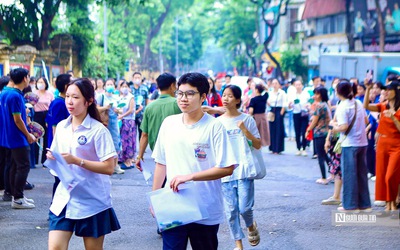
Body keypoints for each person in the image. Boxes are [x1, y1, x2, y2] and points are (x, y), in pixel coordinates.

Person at [151, 72, 237, 250]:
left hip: (205, 209)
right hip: (173, 205)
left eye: (190, 94)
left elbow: (227, 168)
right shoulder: (169, 123)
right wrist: (155, 198)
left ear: (203, 97)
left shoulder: (214, 127)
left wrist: (189, 177)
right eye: (180, 93)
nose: (183, 98)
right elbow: (161, 163)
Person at [46, 78, 120, 250]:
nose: (70, 102)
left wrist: (76, 160)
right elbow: (58, 163)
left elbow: (109, 167)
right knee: (55, 247)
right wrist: (54, 160)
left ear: (89, 101)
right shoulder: (63, 127)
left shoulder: (98, 130)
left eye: (76, 97)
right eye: (68, 97)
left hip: (92, 200)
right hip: (64, 197)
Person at [218, 85, 261, 250]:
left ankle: (250, 226)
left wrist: (244, 130)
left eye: (230, 96)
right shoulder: (218, 122)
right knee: (231, 211)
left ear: (237, 100)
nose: (225, 98)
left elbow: (258, 144)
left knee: (244, 208)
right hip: (225, 171)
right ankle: (238, 244)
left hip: (244, 169)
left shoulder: (247, 119)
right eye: (224, 95)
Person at [0, 68, 37, 209]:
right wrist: (28, 135)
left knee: (14, 166)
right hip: (17, 136)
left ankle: (16, 195)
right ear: (24, 79)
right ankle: (18, 198)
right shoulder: (15, 96)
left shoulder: (6, 92)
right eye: (28, 76)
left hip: (9, 135)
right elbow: (17, 119)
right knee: (23, 166)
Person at [331, 79, 370, 212]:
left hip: (350, 144)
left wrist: (334, 127)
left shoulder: (342, 106)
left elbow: (344, 127)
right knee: (361, 175)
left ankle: (350, 205)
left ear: (338, 92)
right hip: (362, 143)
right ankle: (364, 204)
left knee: (349, 175)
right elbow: (365, 120)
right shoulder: (358, 102)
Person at [364, 79, 400, 216]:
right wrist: (368, 89)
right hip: (382, 145)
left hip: (396, 145)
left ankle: (393, 201)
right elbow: (366, 105)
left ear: (396, 91)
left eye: (389, 90)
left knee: (391, 176)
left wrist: (394, 118)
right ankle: (389, 202)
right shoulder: (383, 106)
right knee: (383, 175)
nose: (386, 92)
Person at [135, 73, 181, 171]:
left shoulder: (149, 107)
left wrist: (140, 156)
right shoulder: (179, 104)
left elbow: (144, 135)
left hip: (157, 153)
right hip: (177, 151)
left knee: (161, 181)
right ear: (173, 85)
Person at [45, 74, 72, 197]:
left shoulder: (59, 102)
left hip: (61, 144)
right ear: (67, 86)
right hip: (60, 145)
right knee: (59, 179)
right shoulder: (59, 103)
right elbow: (55, 126)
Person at [97, 78, 124, 174]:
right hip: (104, 122)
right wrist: (106, 107)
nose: (110, 86)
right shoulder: (101, 97)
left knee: (116, 143)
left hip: (114, 122)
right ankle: (104, 164)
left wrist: (118, 110)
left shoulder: (116, 97)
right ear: (104, 86)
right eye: (108, 84)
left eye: (111, 84)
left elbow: (121, 110)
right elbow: (97, 109)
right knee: (104, 142)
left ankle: (115, 165)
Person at [306, 87, 332, 185]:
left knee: (321, 156)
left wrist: (308, 130)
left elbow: (314, 121)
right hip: (326, 132)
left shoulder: (319, 106)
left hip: (320, 133)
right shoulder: (325, 104)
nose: (314, 96)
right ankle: (333, 173)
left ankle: (324, 178)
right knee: (325, 155)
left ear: (320, 95)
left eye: (316, 94)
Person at [33, 77, 54, 166]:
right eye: (39, 82)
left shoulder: (49, 94)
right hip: (37, 115)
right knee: (35, 137)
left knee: (46, 138)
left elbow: (52, 106)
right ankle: (34, 160)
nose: (40, 84)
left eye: (42, 82)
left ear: (46, 84)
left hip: (46, 115)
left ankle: (45, 161)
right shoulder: (34, 93)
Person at [117, 80, 136, 169]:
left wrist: (122, 116)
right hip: (121, 121)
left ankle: (129, 161)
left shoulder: (130, 97)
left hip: (128, 122)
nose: (124, 88)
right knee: (122, 141)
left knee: (128, 141)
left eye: (126, 86)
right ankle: (123, 159)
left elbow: (131, 110)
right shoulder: (120, 97)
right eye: (122, 86)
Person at [290, 80, 310, 156]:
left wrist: (307, 105)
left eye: (299, 84)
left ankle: (304, 148)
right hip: (296, 113)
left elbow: (309, 103)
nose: (298, 86)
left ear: (302, 85)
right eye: (296, 85)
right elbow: (289, 106)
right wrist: (290, 104)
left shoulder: (306, 94)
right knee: (297, 131)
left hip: (304, 114)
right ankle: (298, 148)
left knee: (304, 130)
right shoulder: (292, 95)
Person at [268, 78, 287, 154]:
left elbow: (284, 104)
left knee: (279, 129)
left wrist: (281, 113)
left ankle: (278, 148)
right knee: (272, 129)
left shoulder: (282, 93)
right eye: (273, 83)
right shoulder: (270, 92)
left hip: (279, 110)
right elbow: (268, 102)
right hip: (272, 110)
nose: (275, 85)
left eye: (276, 83)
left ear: (279, 84)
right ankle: (272, 147)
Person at [130, 72, 149, 142]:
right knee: (132, 132)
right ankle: (133, 148)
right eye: (135, 78)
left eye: (139, 78)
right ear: (132, 79)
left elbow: (147, 100)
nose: (137, 79)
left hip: (142, 114)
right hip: (131, 114)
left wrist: (146, 111)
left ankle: (141, 148)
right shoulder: (130, 89)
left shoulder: (145, 88)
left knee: (142, 132)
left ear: (141, 79)